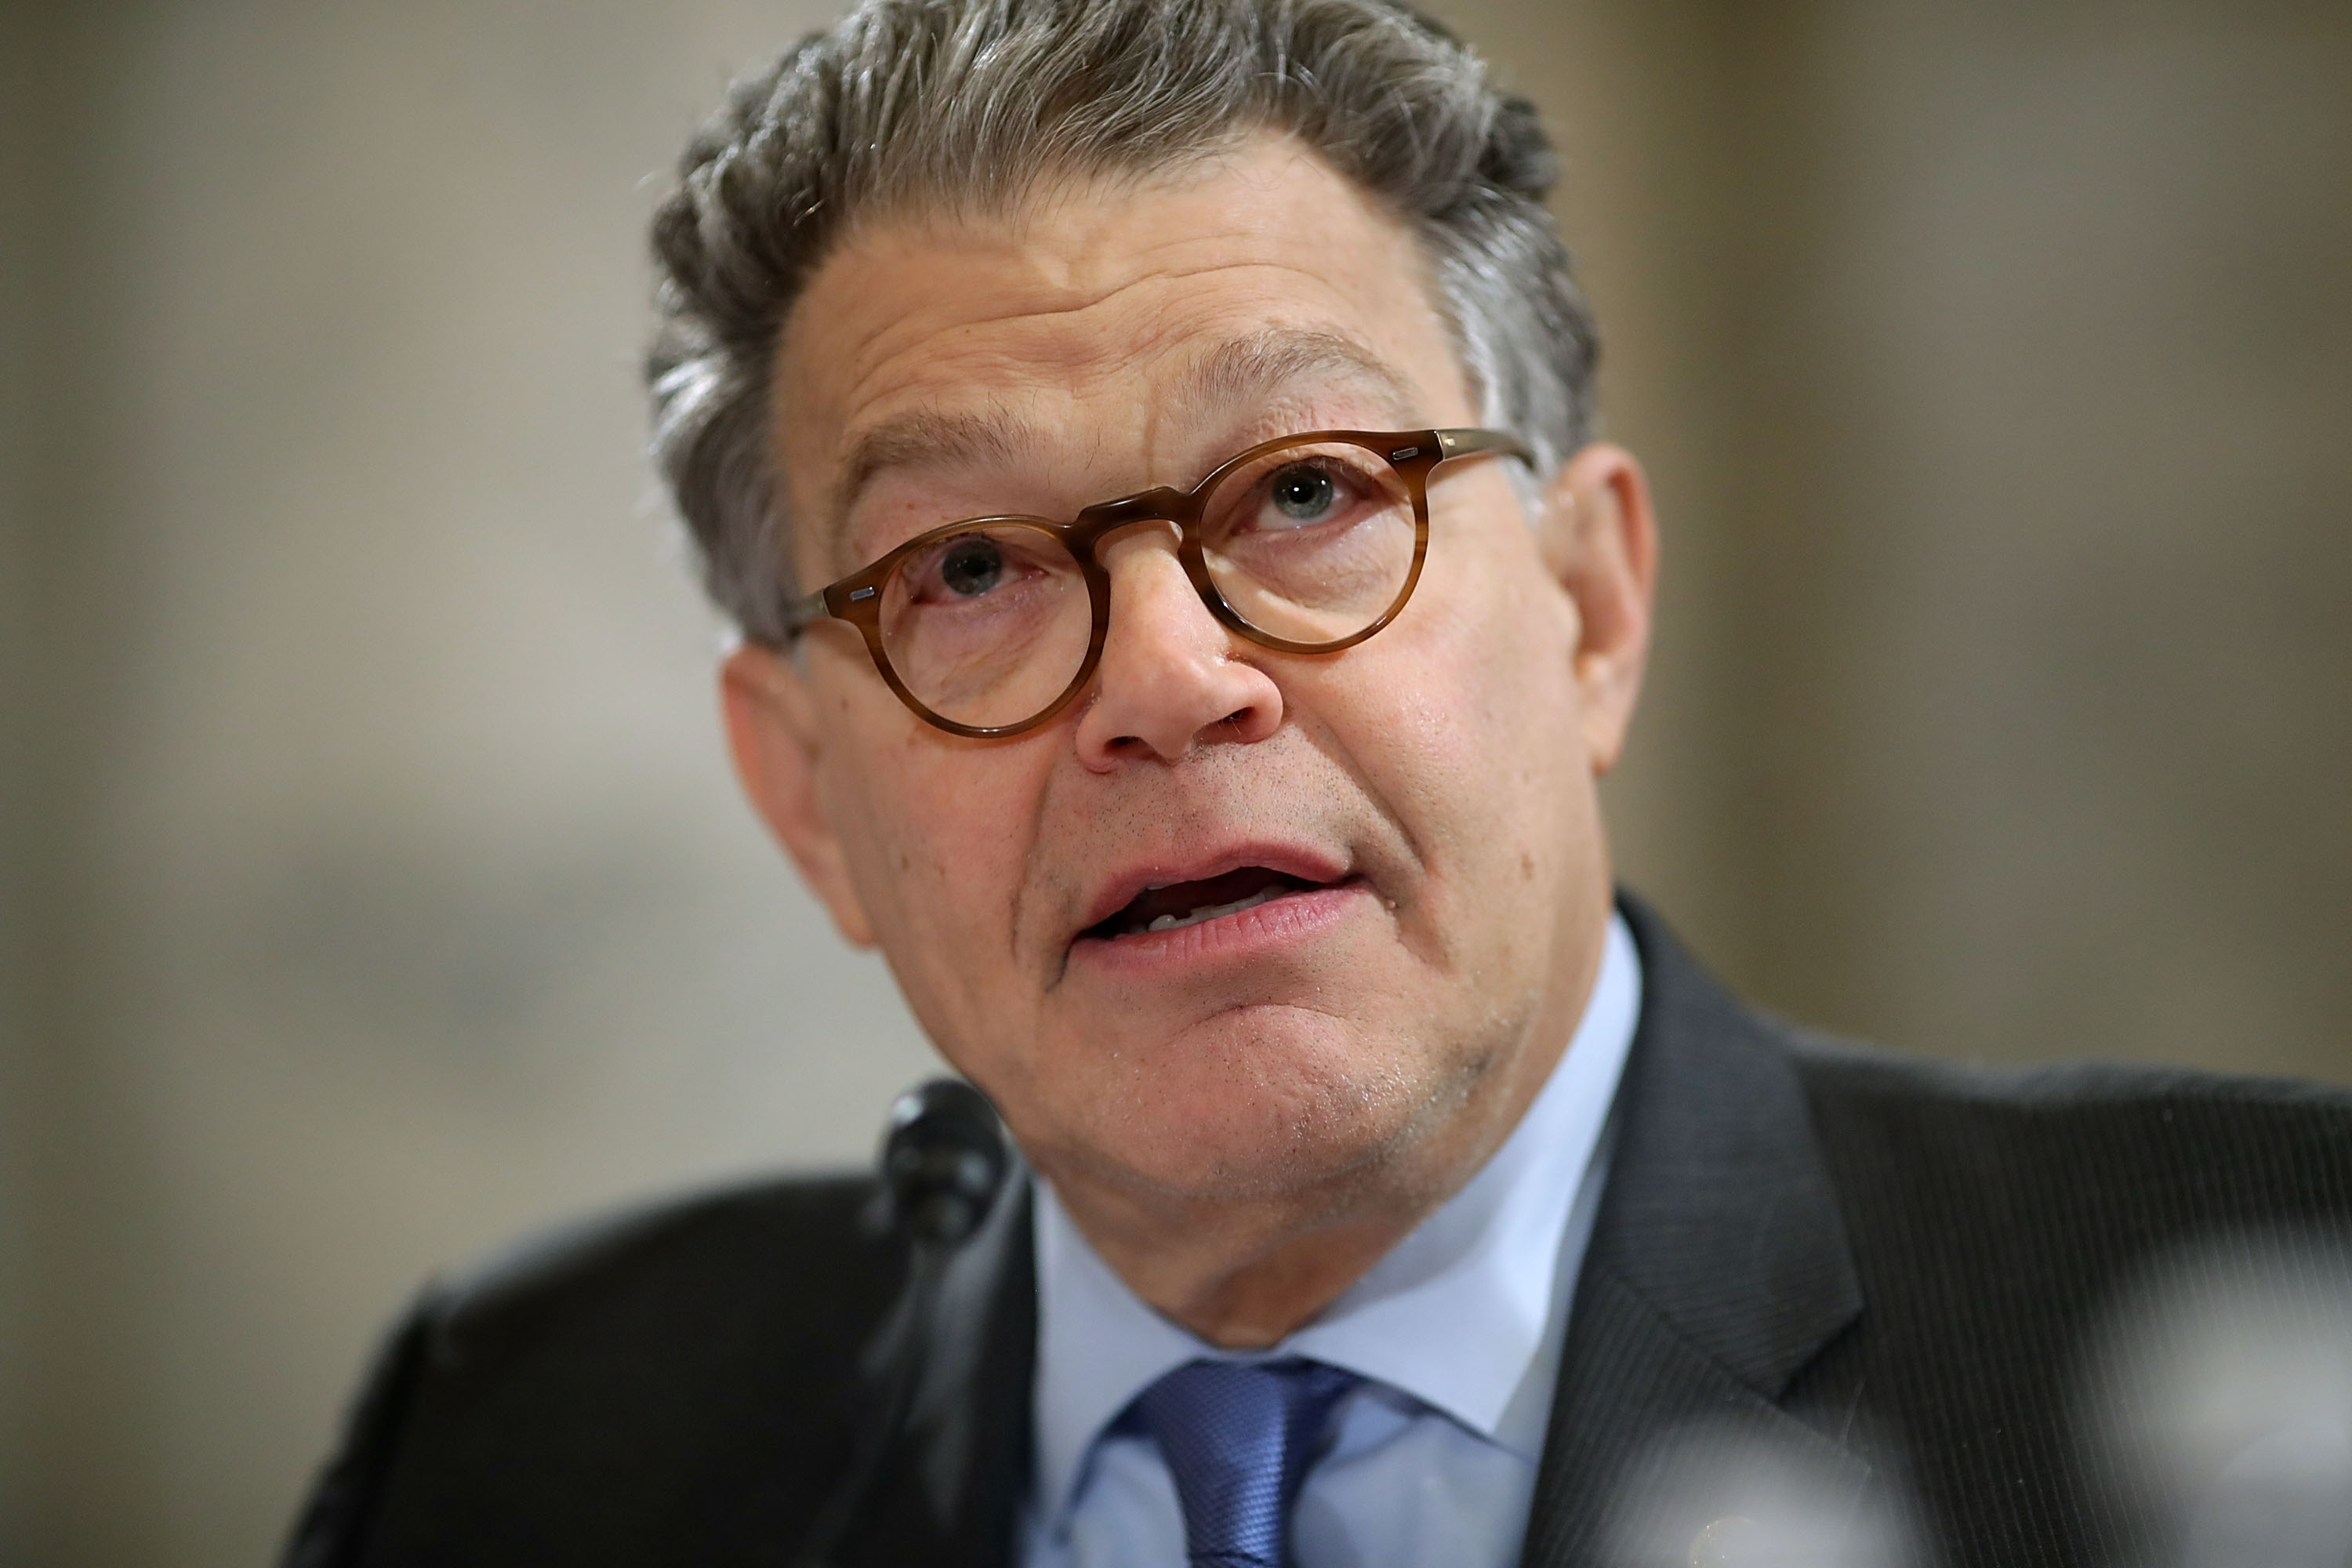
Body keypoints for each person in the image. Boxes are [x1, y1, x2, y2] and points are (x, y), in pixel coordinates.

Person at [282, 2, 2352, 1565]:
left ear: (1591, 609)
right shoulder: (529, 1441)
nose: (1170, 684)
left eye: (1304, 490)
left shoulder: (2247, 1300)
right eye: (973, 570)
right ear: (808, 792)